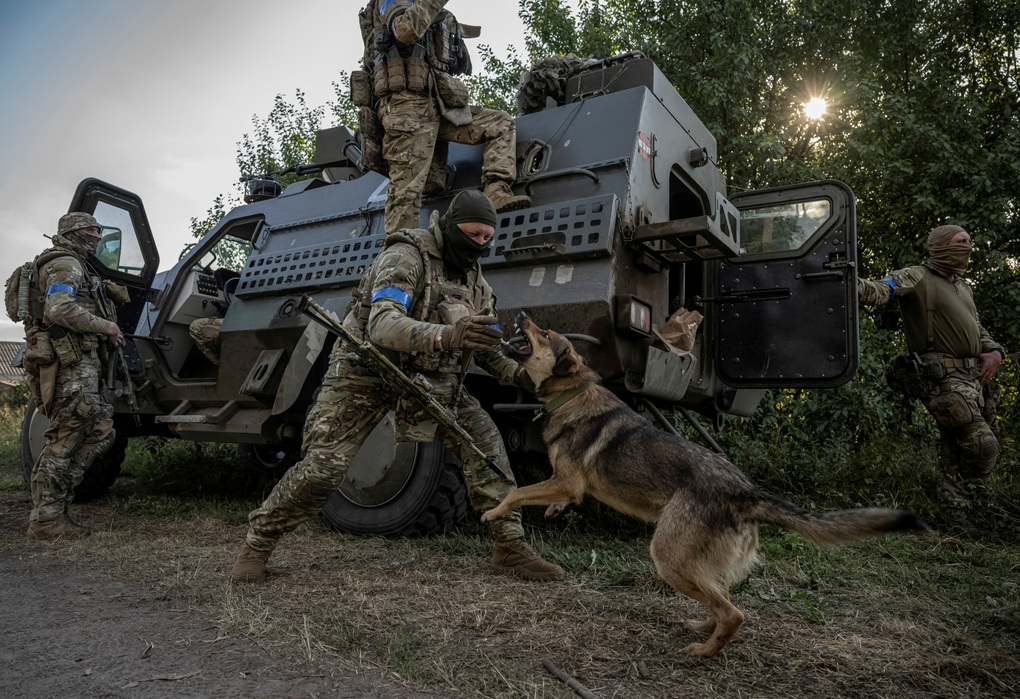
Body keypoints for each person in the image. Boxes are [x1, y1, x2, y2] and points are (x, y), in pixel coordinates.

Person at [231, 190, 562, 583]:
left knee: (488, 451)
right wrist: (448, 336)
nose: (479, 246)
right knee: (323, 469)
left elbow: (486, 350)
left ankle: (510, 547)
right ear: (450, 227)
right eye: (472, 235)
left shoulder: (477, 286)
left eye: (487, 239)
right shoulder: (406, 257)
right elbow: (382, 325)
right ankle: (258, 544)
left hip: (430, 380)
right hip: (365, 372)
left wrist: (522, 375)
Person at [858, 225, 1005, 530]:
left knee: (957, 445)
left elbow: (978, 330)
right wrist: (846, 282)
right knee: (981, 444)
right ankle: (963, 507)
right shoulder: (918, 275)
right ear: (939, 247)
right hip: (943, 377)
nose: (967, 246)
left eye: (968, 241)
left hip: (975, 378)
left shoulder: (964, 286)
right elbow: (881, 290)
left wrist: (994, 351)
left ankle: (959, 514)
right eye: (959, 242)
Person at [359, 0, 531, 233]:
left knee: (499, 123)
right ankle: (400, 253)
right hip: (405, 108)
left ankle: (496, 191)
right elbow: (404, 30)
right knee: (405, 196)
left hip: (438, 104)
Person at [24, 212, 126, 540]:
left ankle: (57, 503)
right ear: (75, 233)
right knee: (68, 435)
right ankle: (46, 518)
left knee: (101, 430)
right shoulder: (66, 263)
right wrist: (106, 326)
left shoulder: (79, 265)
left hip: (83, 361)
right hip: (71, 363)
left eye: (98, 229)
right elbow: (58, 308)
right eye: (92, 230)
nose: (98, 235)